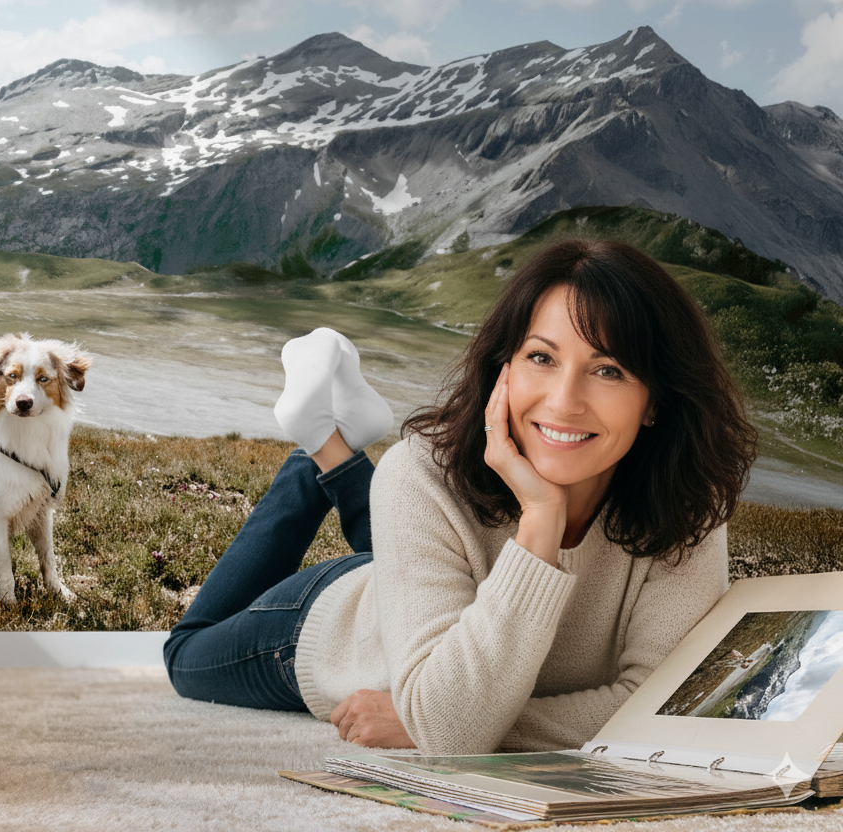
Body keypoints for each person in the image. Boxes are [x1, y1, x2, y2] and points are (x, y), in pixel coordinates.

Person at [162, 238, 758, 753]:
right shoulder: (422, 474)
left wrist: (425, 715)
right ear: (505, 368)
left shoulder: (686, 506)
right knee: (185, 658)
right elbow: (452, 734)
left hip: (440, 584)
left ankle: (338, 450)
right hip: (333, 625)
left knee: (428, 542)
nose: (564, 401)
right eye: (541, 358)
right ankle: (316, 449)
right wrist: (543, 517)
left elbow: (660, 702)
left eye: (608, 371)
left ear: (655, 399)